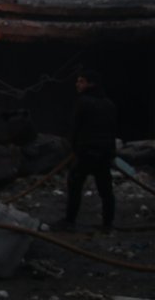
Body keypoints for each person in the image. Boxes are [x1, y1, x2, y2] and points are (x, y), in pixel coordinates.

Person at [63, 69, 117, 232]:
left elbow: (76, 128)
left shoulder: (83, 102)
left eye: (81, 81)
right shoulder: (109, 104)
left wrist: (74, 149)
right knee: (106, 190)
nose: (77, 84)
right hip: (104, 153)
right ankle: (107, 224)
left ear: (90, 84)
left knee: (74, 185)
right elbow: (112, 130)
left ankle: (69, 221)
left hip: (86, 152)